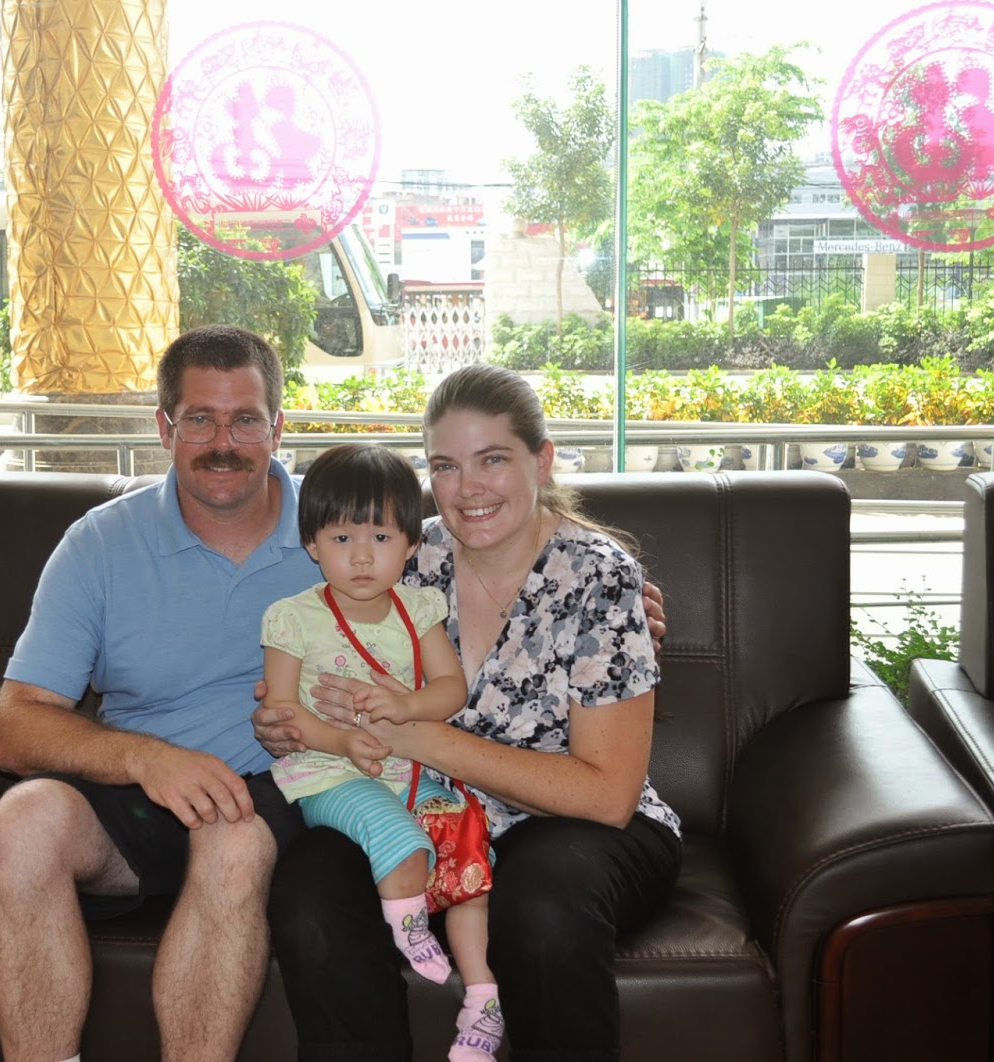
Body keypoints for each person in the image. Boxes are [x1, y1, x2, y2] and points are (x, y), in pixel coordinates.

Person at [255, 362, 681, 1062]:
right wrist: (289, 719)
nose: (467, 488)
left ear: (541, 461)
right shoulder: (403, 557)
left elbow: (607, 797)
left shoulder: (598, 576)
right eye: (446, 466)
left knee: (540, 904)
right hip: (423, 806)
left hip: (575, 828)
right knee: (309, 893)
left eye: (493, 460)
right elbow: (315, 655)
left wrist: (418, 736)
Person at [0, 325, 320, 1062]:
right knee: (23, 820)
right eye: (200, 419)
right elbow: (14, 727)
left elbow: (476, 545)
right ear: (164, 428)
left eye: (245, 420)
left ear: (278, 428)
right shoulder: (100, 544)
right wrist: (146, 759)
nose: (223, 443)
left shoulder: (341, 531)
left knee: (231, 835)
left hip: (282, 791)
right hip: (142, 795)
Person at [262, 442, 502, 1060]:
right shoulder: (292, 618)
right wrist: (341, 740)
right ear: (311, 544)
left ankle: (482, 996)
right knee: (401, 836)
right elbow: (283, 712)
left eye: (381, 537)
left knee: (468, 856)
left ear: (412, 544)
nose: (363, 556)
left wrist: (406, 704)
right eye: (342, 538)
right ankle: (409, 926)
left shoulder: (418, 608)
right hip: (328, 772)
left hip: (412, 767)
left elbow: (450, 690)